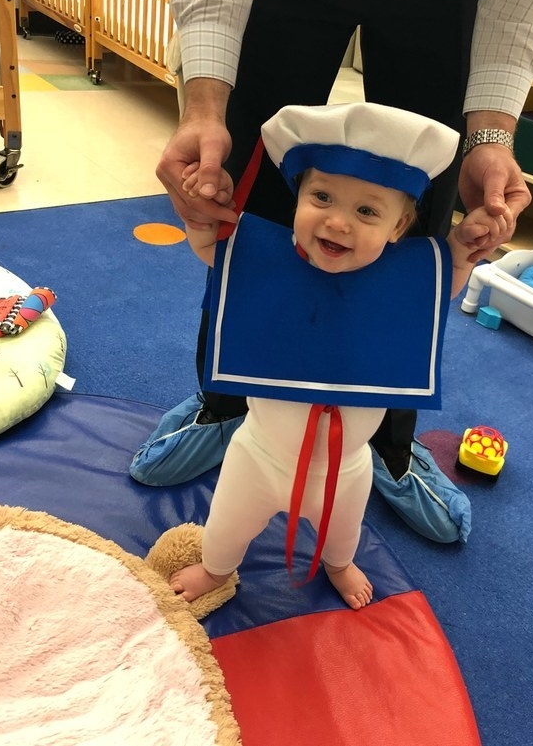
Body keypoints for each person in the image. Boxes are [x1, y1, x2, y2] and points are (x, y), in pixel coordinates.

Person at [140, 0, 533, 501]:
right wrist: (203, 107)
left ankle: (385, 439)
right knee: (246, 186)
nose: (337, 223)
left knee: (422, 204)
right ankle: (230, 400)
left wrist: (492, 138)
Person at [168, 102, 512, 609]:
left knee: (343, 535)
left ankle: (338, 564)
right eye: (321, 196)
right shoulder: (264, 259)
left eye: (367, 210)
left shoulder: (408, 280)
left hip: (347, 467)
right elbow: (214, 246)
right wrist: (203, 213)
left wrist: (466, 244)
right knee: (224, 529)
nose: (337, 222)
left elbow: (446, 277)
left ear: (399, 229)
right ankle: (217, 569)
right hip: (258, 456)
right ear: (297, 199)